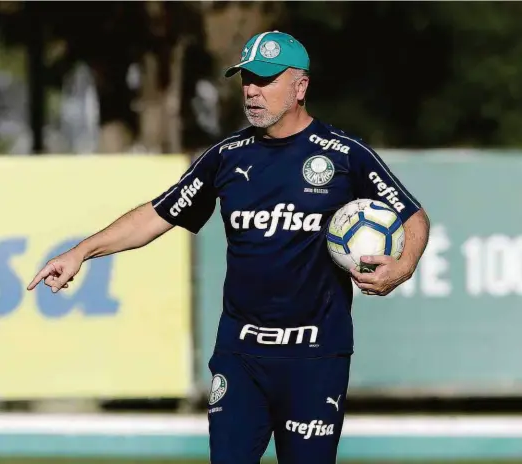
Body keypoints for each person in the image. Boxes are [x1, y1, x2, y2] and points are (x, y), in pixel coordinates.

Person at [27, 31, 430, 464]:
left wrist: (403, 266)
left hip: (315, 356)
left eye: (266, 79)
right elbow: (156, 214)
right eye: (246, 79)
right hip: (241, 355)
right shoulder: (227, 157)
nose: (252, 90)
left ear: (301, 86)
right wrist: (80, 252)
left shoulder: (346, 155)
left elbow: (413, 217)